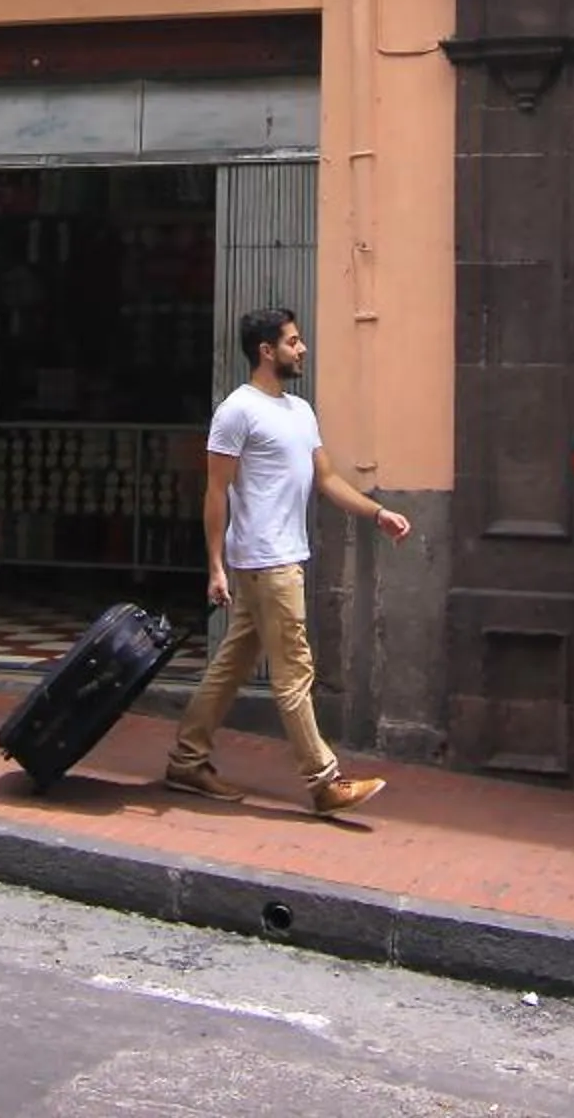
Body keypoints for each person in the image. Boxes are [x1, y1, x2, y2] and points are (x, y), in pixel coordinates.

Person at [164, 307, 411, 816]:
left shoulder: (300, 411)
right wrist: (214, 565)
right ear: (266, 351)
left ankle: (187, 759)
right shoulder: (238, 410)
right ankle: (324, 780)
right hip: (264, 559)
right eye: (294, 342)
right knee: (294, 668)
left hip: (280, 556)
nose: (302, 349)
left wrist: (378, 512)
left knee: (231, 664)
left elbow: (327, 479)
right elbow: (215, 492)